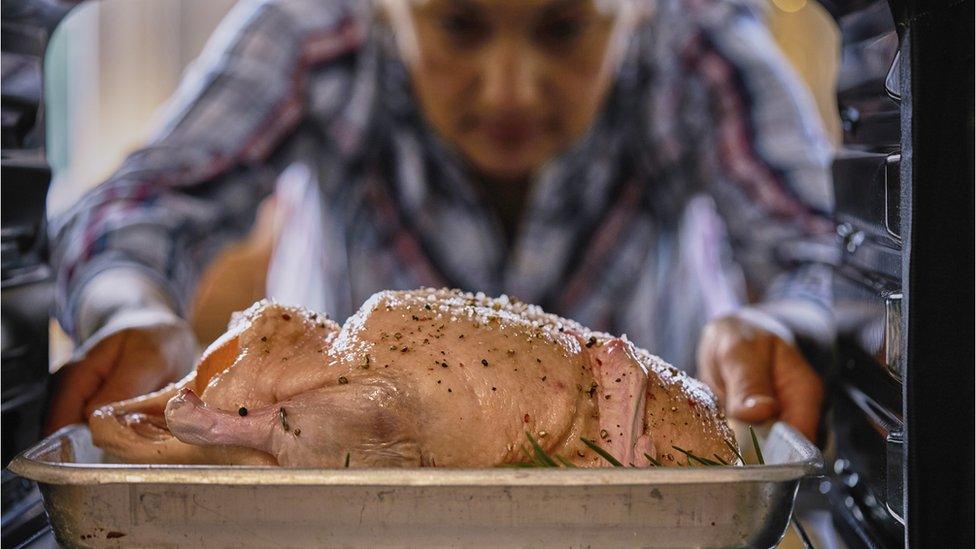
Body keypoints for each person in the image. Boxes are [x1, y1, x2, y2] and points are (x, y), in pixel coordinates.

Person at [45, 0, 833, 442]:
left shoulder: (696, 46)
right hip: (345, 512)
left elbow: (826, 254)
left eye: (564, 29)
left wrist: (784, 322)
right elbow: (137, 205)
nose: (510, 91)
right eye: (458, 24)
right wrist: (134, 309)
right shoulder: (318, 32)